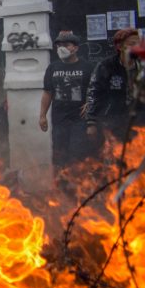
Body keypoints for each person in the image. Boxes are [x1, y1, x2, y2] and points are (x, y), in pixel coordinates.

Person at [39, 32, 94, 183]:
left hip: (79, 120)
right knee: (59, 154)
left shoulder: (87, 67)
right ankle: (60, 187)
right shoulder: (52, 68)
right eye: (59, 45)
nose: (61, 48)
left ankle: (78, 185)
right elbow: (48, 92)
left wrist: (90, 103)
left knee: (77, 152)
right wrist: (42, 115)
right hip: (59, 119)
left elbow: (96, 90)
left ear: (75, 48)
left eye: (66, 45)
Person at [86, 28, 142, 143]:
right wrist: (91, 122)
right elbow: (93, 93)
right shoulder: (105, 66)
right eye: (132, 44)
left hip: (139, 120)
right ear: (120, 47)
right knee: (114, 154)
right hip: (112, 120)